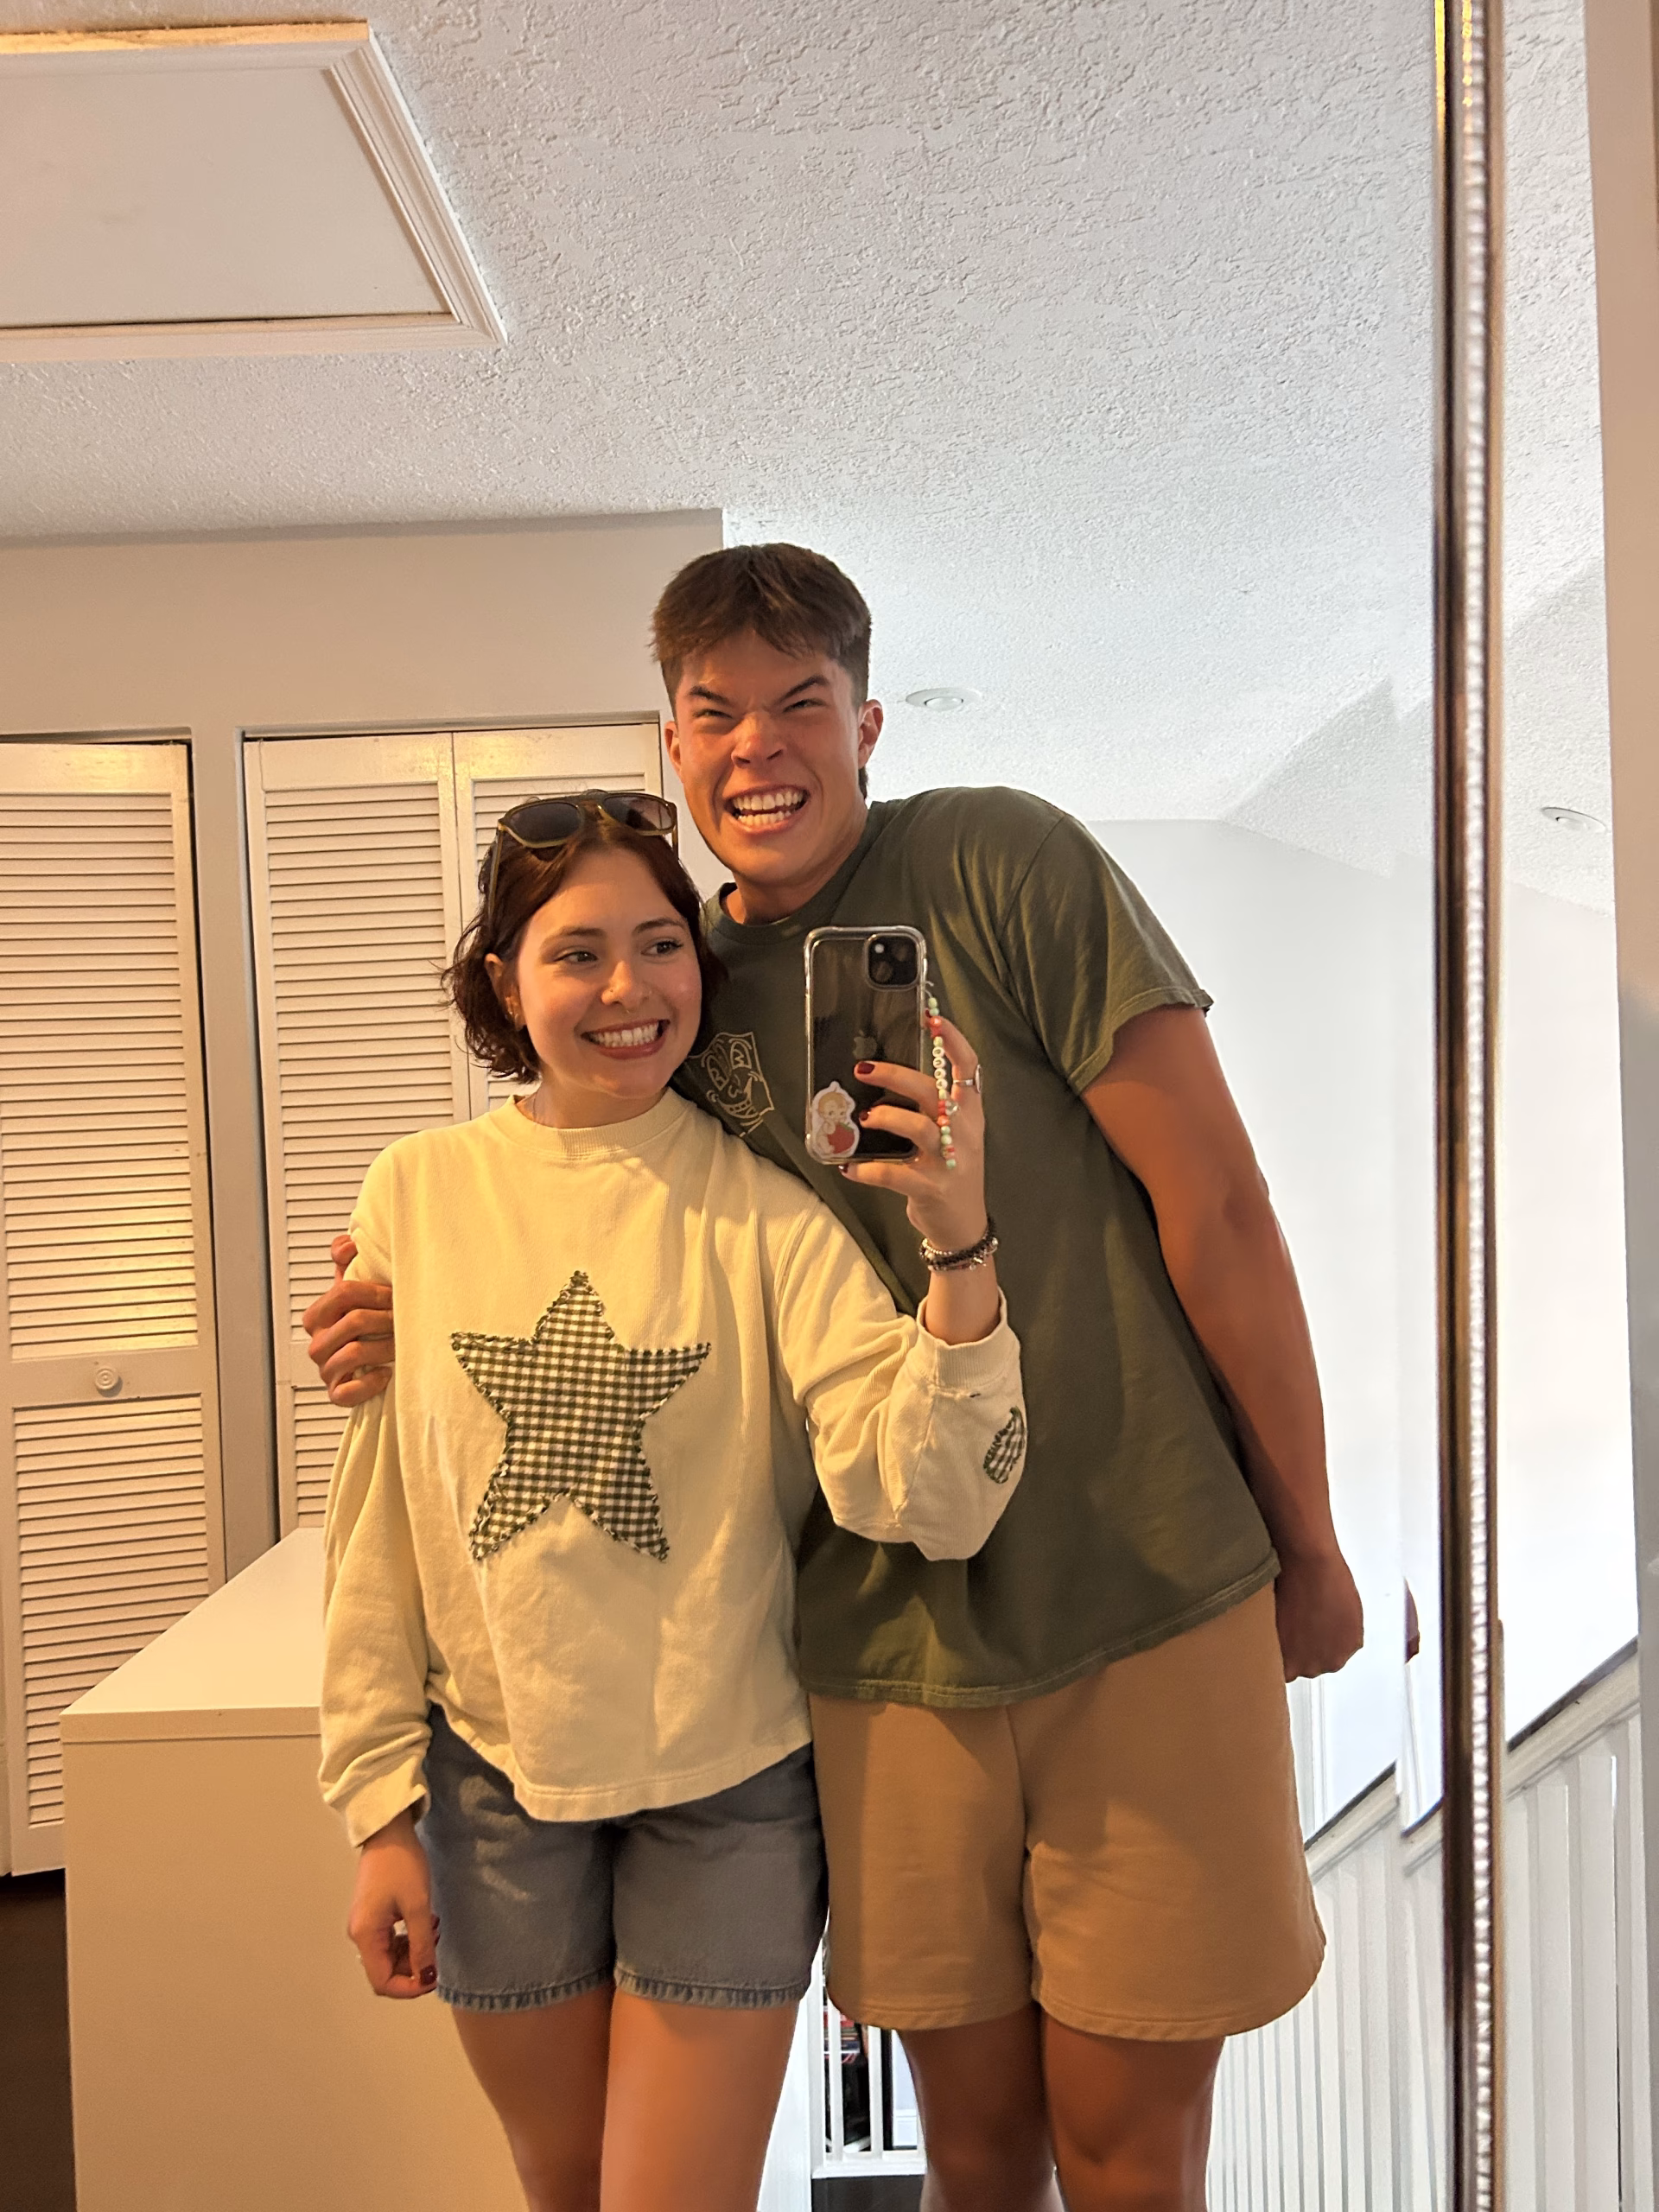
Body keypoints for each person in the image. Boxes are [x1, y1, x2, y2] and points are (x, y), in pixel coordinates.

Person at [306, 544, 1365, 2212]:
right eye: (715, 711)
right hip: (878, 1646)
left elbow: (1218, 1210)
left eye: (801, 702)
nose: (760, 746)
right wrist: (397, 1318)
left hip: (1145, 1587)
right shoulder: (671, 991)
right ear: (671, 741)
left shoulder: (1003, 860)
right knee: (977, 2153)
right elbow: (580, 1218)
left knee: (1131, 2151)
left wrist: (1310, 1538)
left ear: (868, 722)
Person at [317, 791, 1026, 2212]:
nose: (628, 988)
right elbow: (382, 1524)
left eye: (659, 944)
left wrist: (958, 1246)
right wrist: (378, 1810)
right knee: (563, 2189)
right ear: (504, 983)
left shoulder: (765, 1211)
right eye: (576, 953)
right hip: (490, 1785)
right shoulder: (419, 1193)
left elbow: (931, 1500)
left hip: (730, 1791)